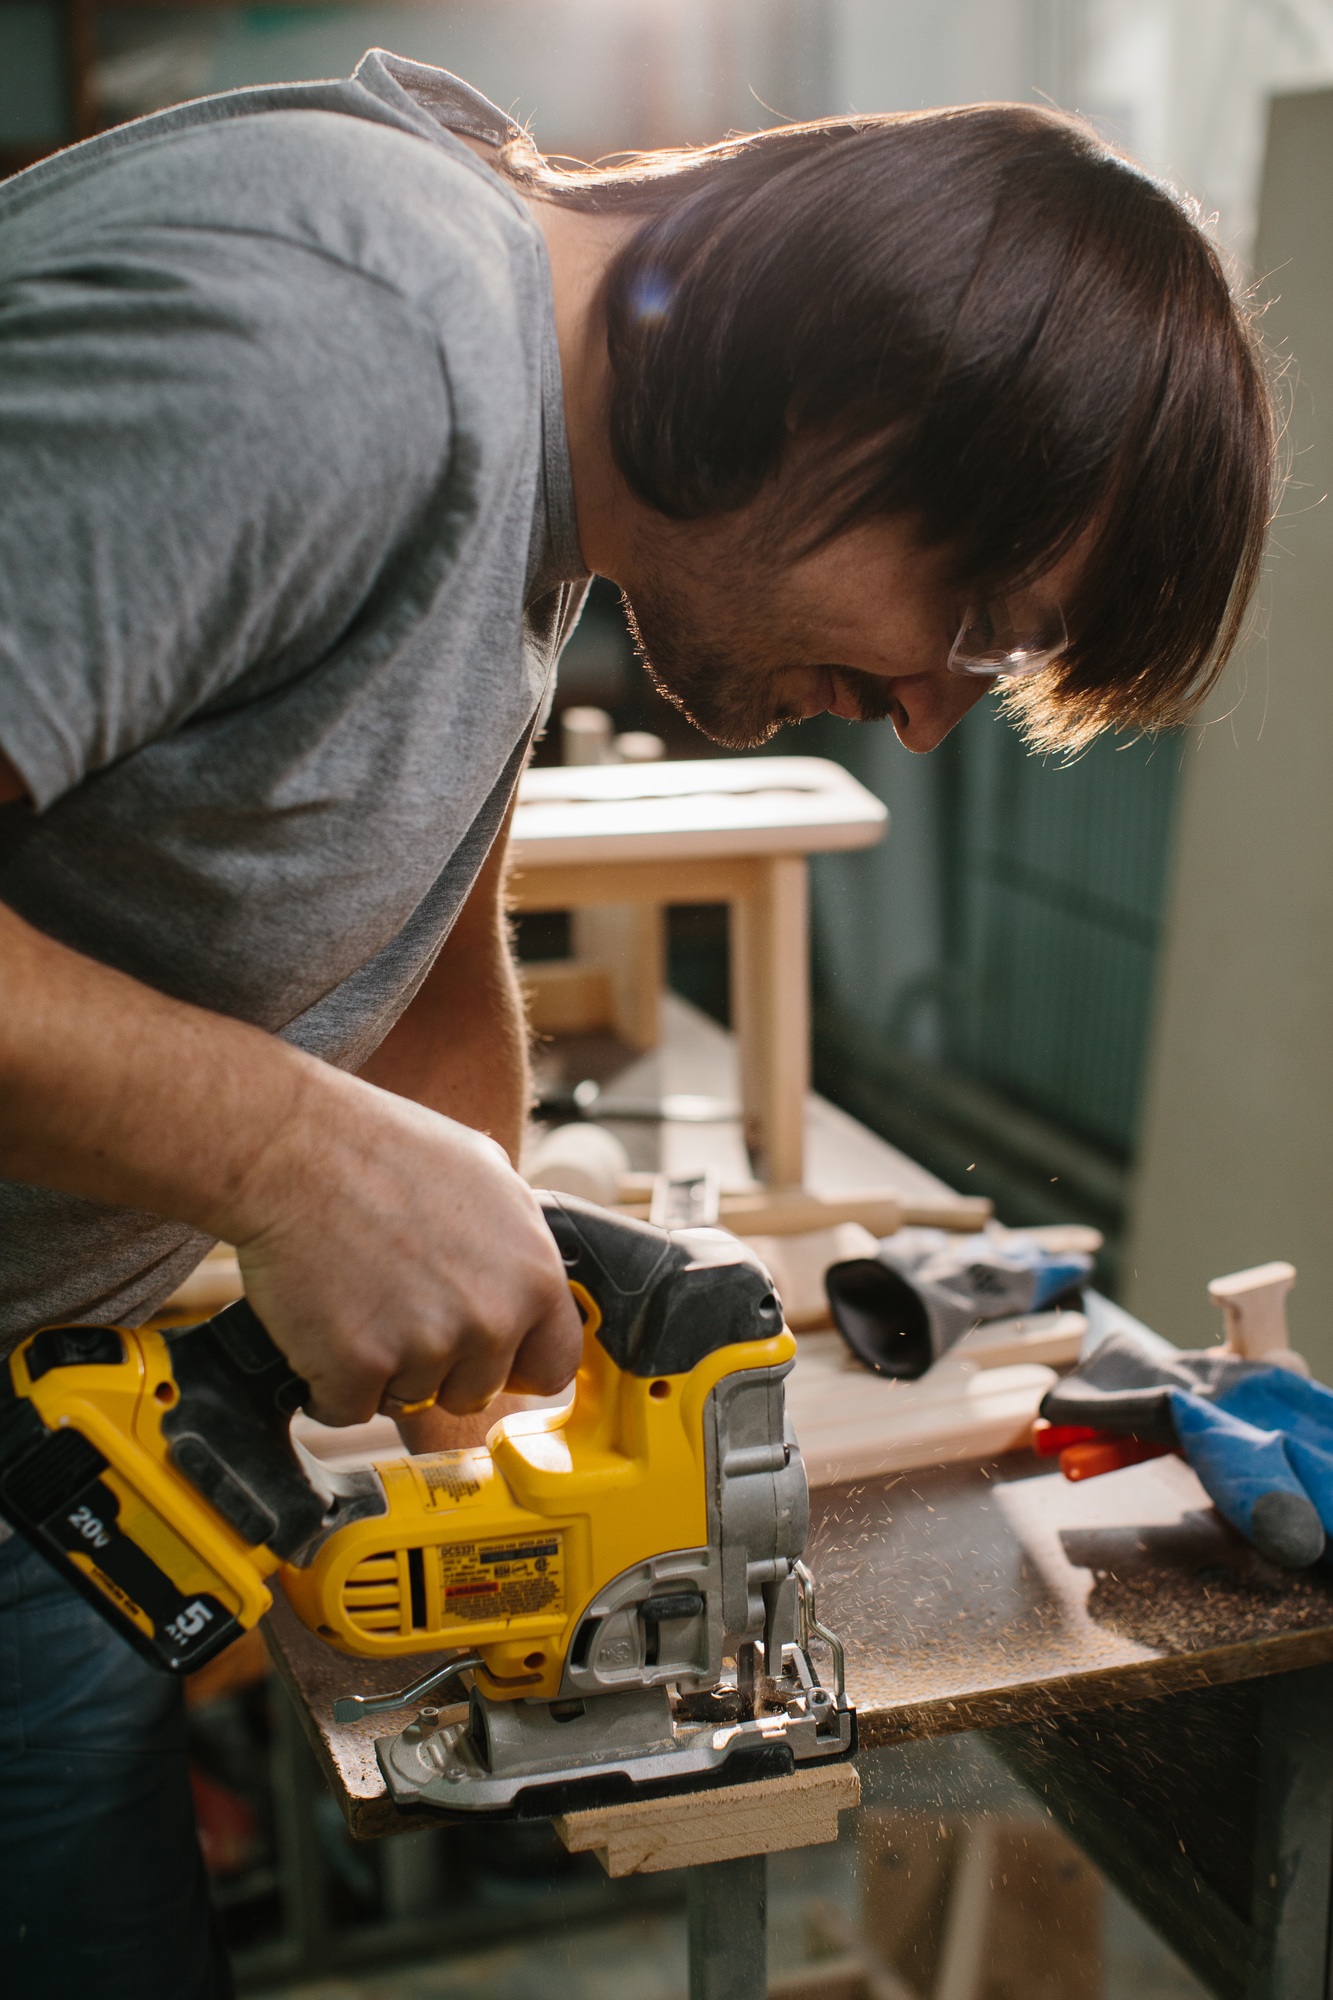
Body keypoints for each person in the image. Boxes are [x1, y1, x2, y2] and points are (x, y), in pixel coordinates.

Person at [0, 48, 1276, 1997]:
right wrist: (289, 1156)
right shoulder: (350, 328)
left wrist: (485, 1261)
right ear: (854, 388)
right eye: (981, 622)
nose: (934, 714)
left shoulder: (525, 453)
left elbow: (421, 948)